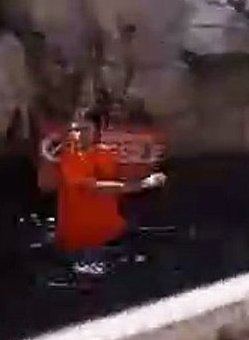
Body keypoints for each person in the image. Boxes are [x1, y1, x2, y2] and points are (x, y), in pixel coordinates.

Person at [56, 116, 166, 275]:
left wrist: (152, 178)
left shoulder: (106, 153)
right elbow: (95, 188)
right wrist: (142, 184)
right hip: (81, 234)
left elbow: (121, 178)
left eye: (84, 129)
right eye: (75, 130)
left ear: (96, 131)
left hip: (110, 228)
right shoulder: (70, 157)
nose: (78, 134)